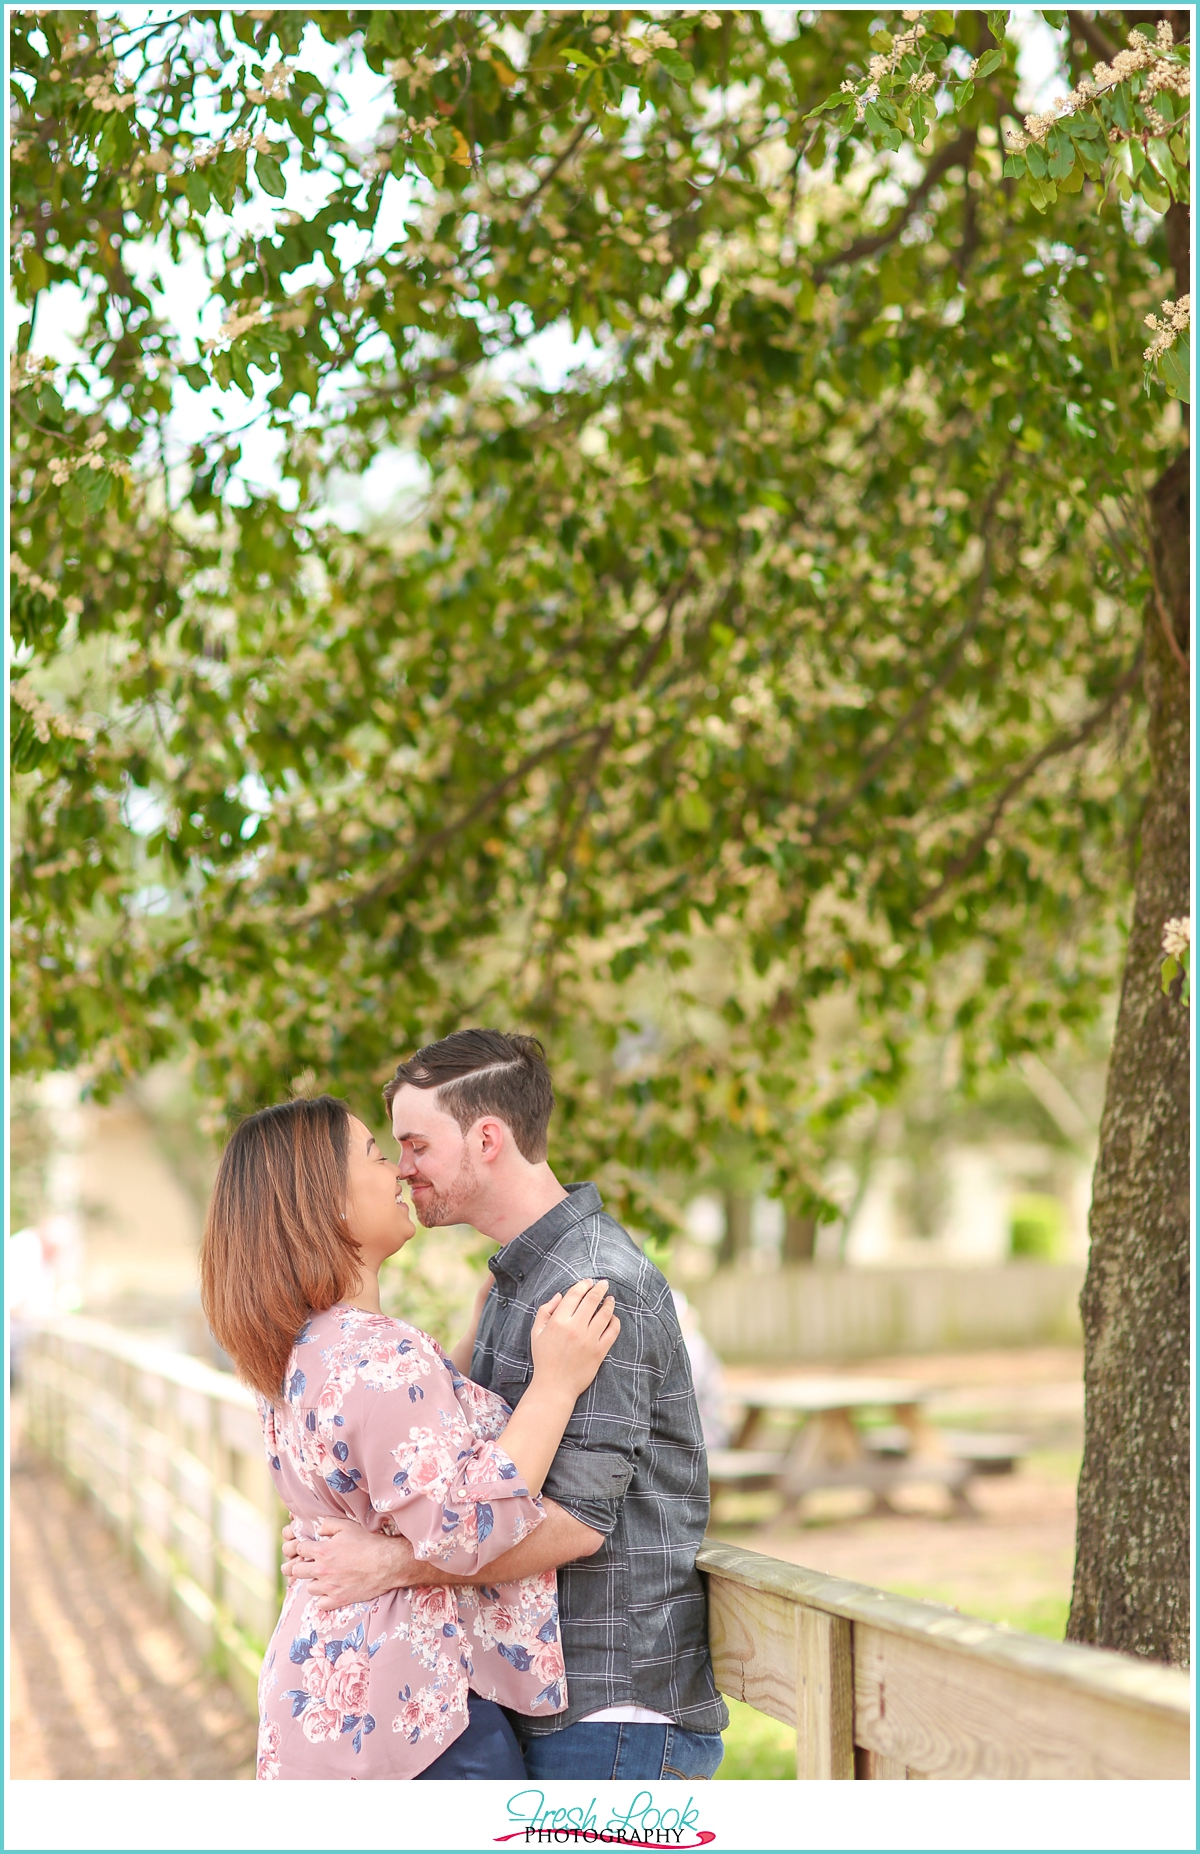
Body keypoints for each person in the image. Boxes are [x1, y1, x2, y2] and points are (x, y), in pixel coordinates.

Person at [283, 1032, 729, 1780]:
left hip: (609, 1711)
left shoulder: (593, 1286)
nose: (403, 1170)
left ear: (487, 1139)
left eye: (416, 1145)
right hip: (541, 1701)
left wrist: (387, 1566)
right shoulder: (515, 1285)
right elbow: (458, 1476)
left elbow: (578, 1525)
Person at [200, 1093, 620, 1780]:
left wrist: (465, 1345)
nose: (397, 1171)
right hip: (417, 1723)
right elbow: (469, 1530)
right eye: (374, 1154)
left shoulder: (299, 1354)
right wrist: (555, 1384)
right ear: (330, 1205)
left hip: (325, 1696)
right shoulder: (382, 1359)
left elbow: (398, 1456)